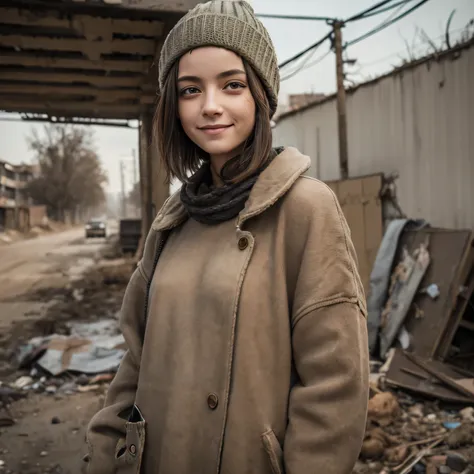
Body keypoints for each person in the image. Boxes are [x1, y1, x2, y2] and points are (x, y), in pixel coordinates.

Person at [85, 1, 369, 473]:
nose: (210, 105)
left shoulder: (305, 208)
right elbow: (134, 364)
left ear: (261, 96)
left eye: (232, 85)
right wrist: (103, 455)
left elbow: (335, 387)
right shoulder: (172, 220)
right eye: (190, 89)